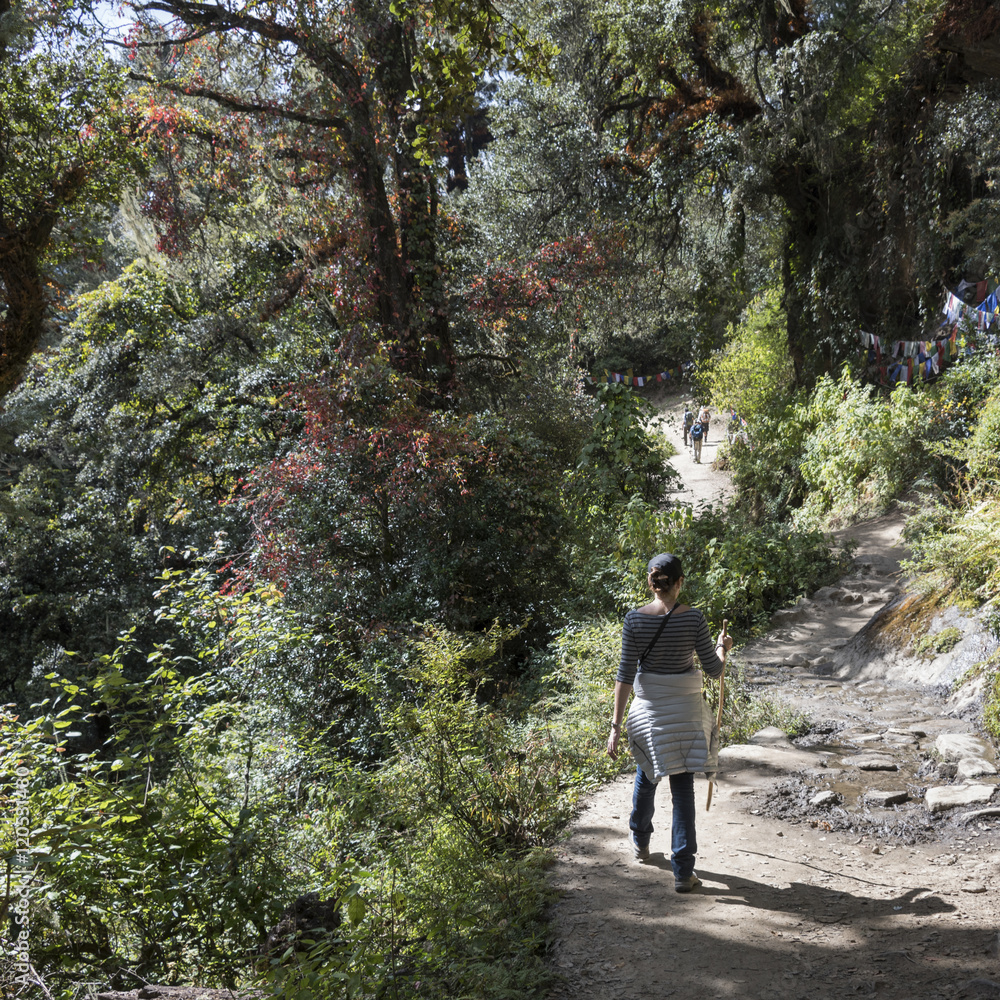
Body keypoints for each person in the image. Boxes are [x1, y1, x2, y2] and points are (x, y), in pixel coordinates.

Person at [607, 553, 732, 893]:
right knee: (682, 789)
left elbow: (625, 676)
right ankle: (683, 871)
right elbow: (714, 670)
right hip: (686, 715)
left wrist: (615, 728)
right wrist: (722, 647)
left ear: (651, 584)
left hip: (648, 714)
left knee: (647, 774)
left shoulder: (634, 620)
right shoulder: (694, 619)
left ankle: (640, 839)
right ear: (680, 583)